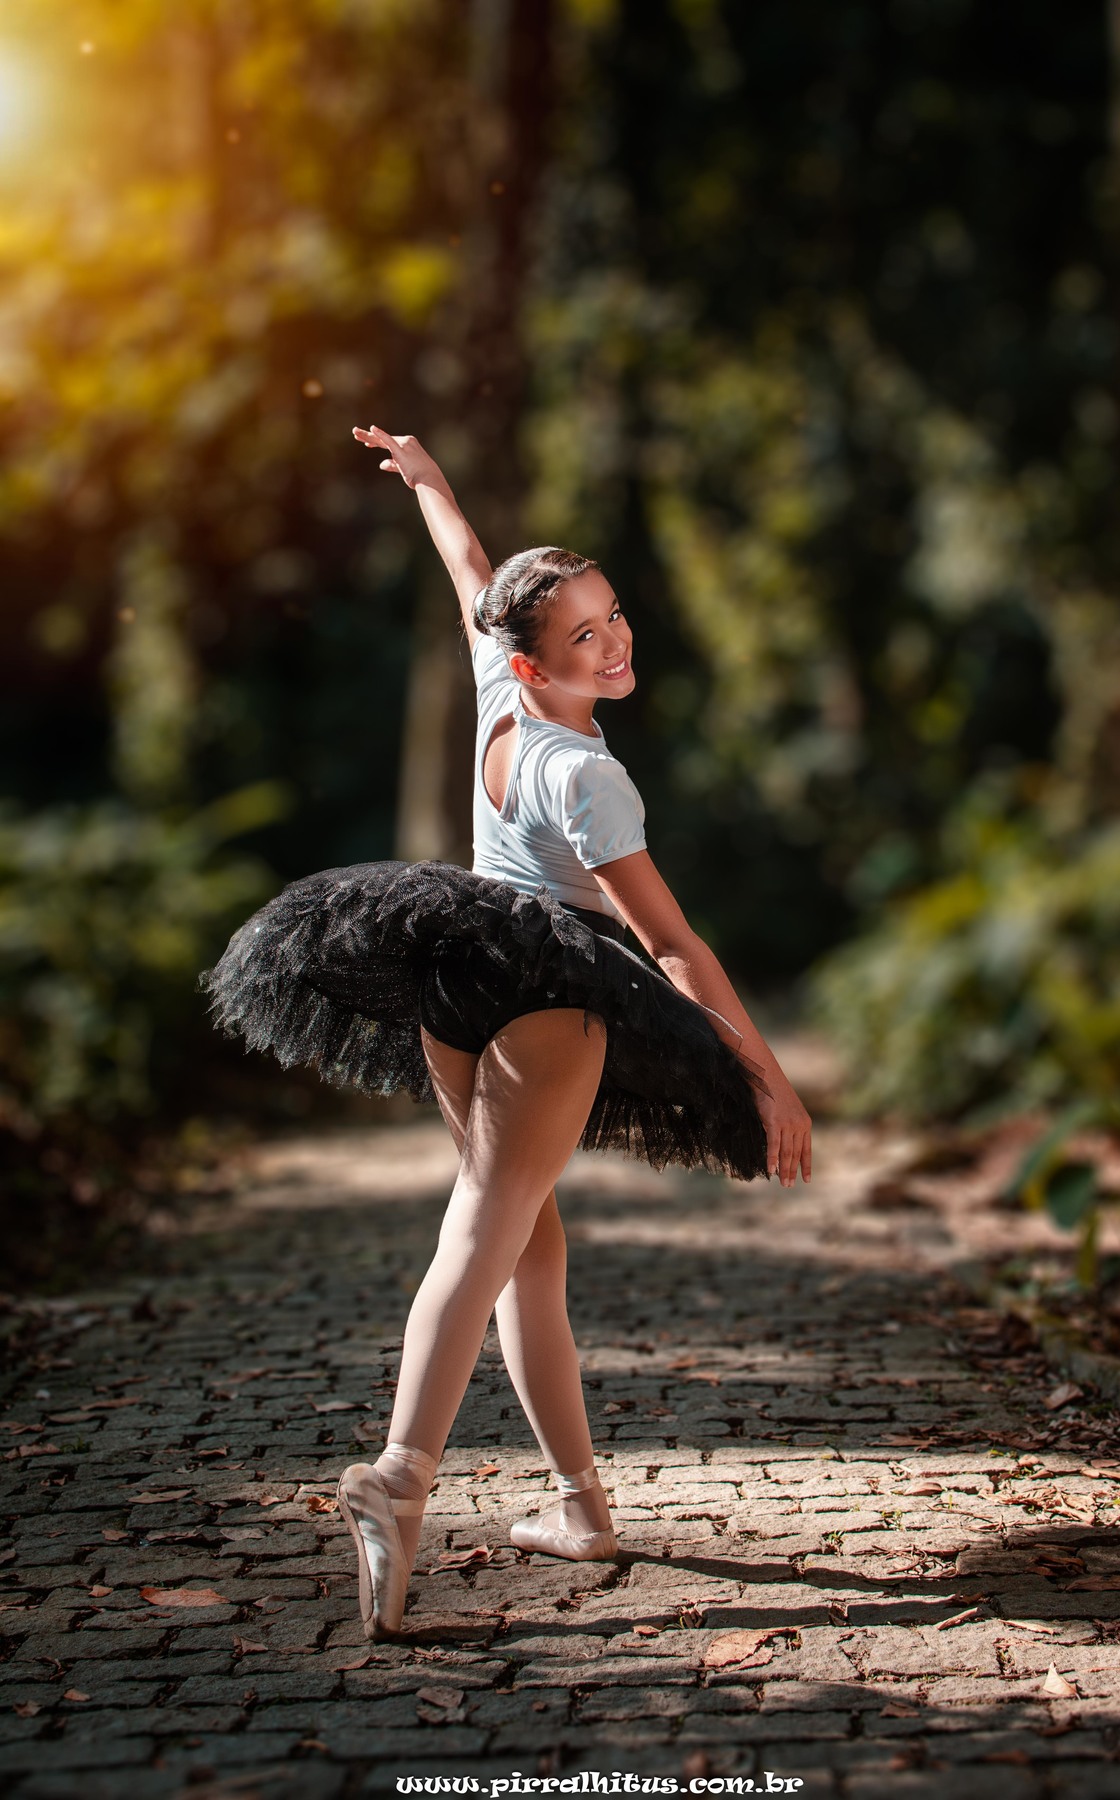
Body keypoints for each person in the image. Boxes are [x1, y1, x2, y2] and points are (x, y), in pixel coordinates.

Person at [201, 425, 812, 1643]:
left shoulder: (497, 687)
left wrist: (427, 478)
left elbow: (467, 562)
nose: (615, 638)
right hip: (541, 993)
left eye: (615, 613)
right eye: (585, 634)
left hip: (452, 978)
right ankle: (399, 1474)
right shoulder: (591, 779)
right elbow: (673, 948)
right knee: (484, 1235)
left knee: (532, 1252)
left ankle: (581, 1508)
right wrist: (769, 1083)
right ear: (537, 666)